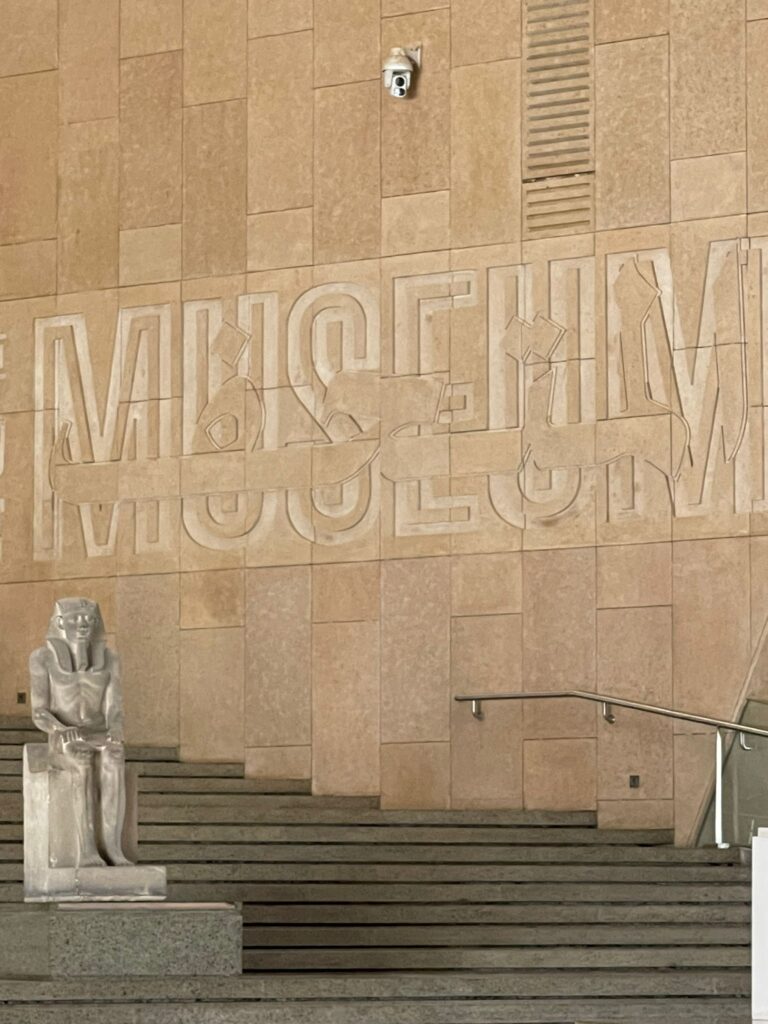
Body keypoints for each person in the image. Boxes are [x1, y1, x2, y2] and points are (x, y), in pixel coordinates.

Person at [29, 598, 131, 868]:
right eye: (75, 618)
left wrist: (116, 727)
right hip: (63, 734)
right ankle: (87, 850)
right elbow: (39, 711)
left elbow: (114, 706)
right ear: (60, 623)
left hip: (99, 732)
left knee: (115, 757)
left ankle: (113, 847)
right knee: (82, 758)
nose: (83, 624)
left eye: (88, 619)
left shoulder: (110, 659)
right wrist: (60, 728)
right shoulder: (43, 658)